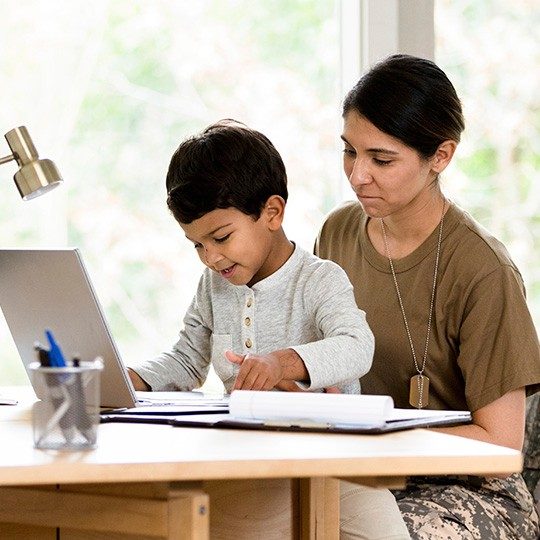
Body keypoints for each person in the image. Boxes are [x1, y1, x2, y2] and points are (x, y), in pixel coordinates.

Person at [129, 119, 411, 539]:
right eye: (197, 245)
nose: (210, 258)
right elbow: (187, 360)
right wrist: (131, 378)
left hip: (338, 471)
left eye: (221, 238)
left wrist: (284, 363)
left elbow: (356, 346)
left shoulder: (320, 279)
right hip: (252, 470)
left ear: (272, 213)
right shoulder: (214, 285)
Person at [316, 53, 540, 539]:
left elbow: (500, 445)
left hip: (473, 493)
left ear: (440, 156)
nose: (357, 175)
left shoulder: (484, 271)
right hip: (361, 475)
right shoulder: (336, 233)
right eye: (350, 151)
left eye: (382, 159)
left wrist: (376, 436)